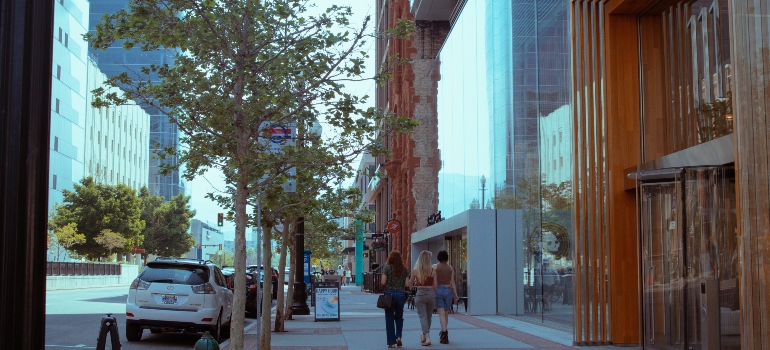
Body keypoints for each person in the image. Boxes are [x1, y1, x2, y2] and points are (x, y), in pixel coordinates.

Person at [381, 250, 408, 348]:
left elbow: (383, 282)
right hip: (400, 294)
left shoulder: (387, 268)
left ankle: (391, 342)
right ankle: (399, 336)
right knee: (399, 316)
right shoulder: (404, 269)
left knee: (389, 318)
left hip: (389, 295)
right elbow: (407, 284)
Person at [409, 250, 436, 346]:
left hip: (420, 293)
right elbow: (435, 285)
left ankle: (427, 337)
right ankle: (424, 335)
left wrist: (413, 284)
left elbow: (409, 284)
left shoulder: (415, 271)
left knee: (423, 316)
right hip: (430, 293)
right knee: (428, 316)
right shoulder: (433, 270)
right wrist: (434, 294)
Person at [434, 250, 459, 344]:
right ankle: (444, 330)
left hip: (439, 290)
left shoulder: (435, 267)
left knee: (441, 314)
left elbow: (434, 281)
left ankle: (444, 333)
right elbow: (452, 282)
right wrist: (455, 294)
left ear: (438, 258)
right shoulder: (451, 268)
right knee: (446, 312)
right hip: (448, 290)